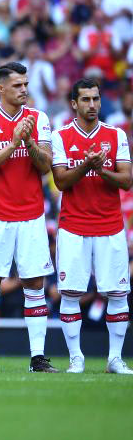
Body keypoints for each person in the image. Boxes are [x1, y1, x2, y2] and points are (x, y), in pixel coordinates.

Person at [0, 62, 57, 372]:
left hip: (31, 213)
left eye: (25, 84)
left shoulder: (39, 118)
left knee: (34, 283)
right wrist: (14, 143)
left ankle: (37, 357)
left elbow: (45, 166)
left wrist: (29, 141)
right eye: (17, 85)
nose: (23, 90)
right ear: (1, 88)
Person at [51, 78, 133, 374]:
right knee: (71, 293)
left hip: (110, 225)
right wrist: (88, 165)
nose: (92, 105)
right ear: (74, 103)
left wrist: (101, 170)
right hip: (73, 226)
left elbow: (126, 180)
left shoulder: (116, 134)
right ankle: (76, 357)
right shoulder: (60, 136)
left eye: (96, 99)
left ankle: (114, 358)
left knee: (118, 294)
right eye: (85, 99)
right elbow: (61, 181)